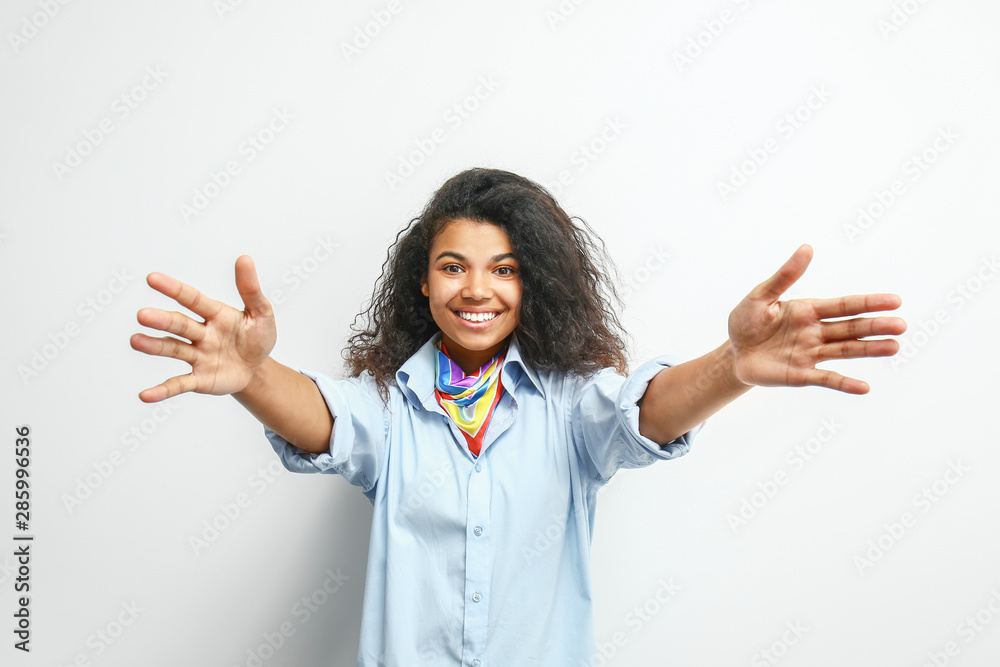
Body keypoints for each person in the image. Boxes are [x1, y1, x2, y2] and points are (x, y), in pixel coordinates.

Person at [130, 168, 906, 666]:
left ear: (533, 285)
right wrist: (252, 375)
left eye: (505, 268)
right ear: (424, 288)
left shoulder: (570, 404)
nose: (478, 289)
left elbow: (645, 412)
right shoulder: (395, 406)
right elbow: (324, 419)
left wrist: (731, 366)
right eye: (453, 266)